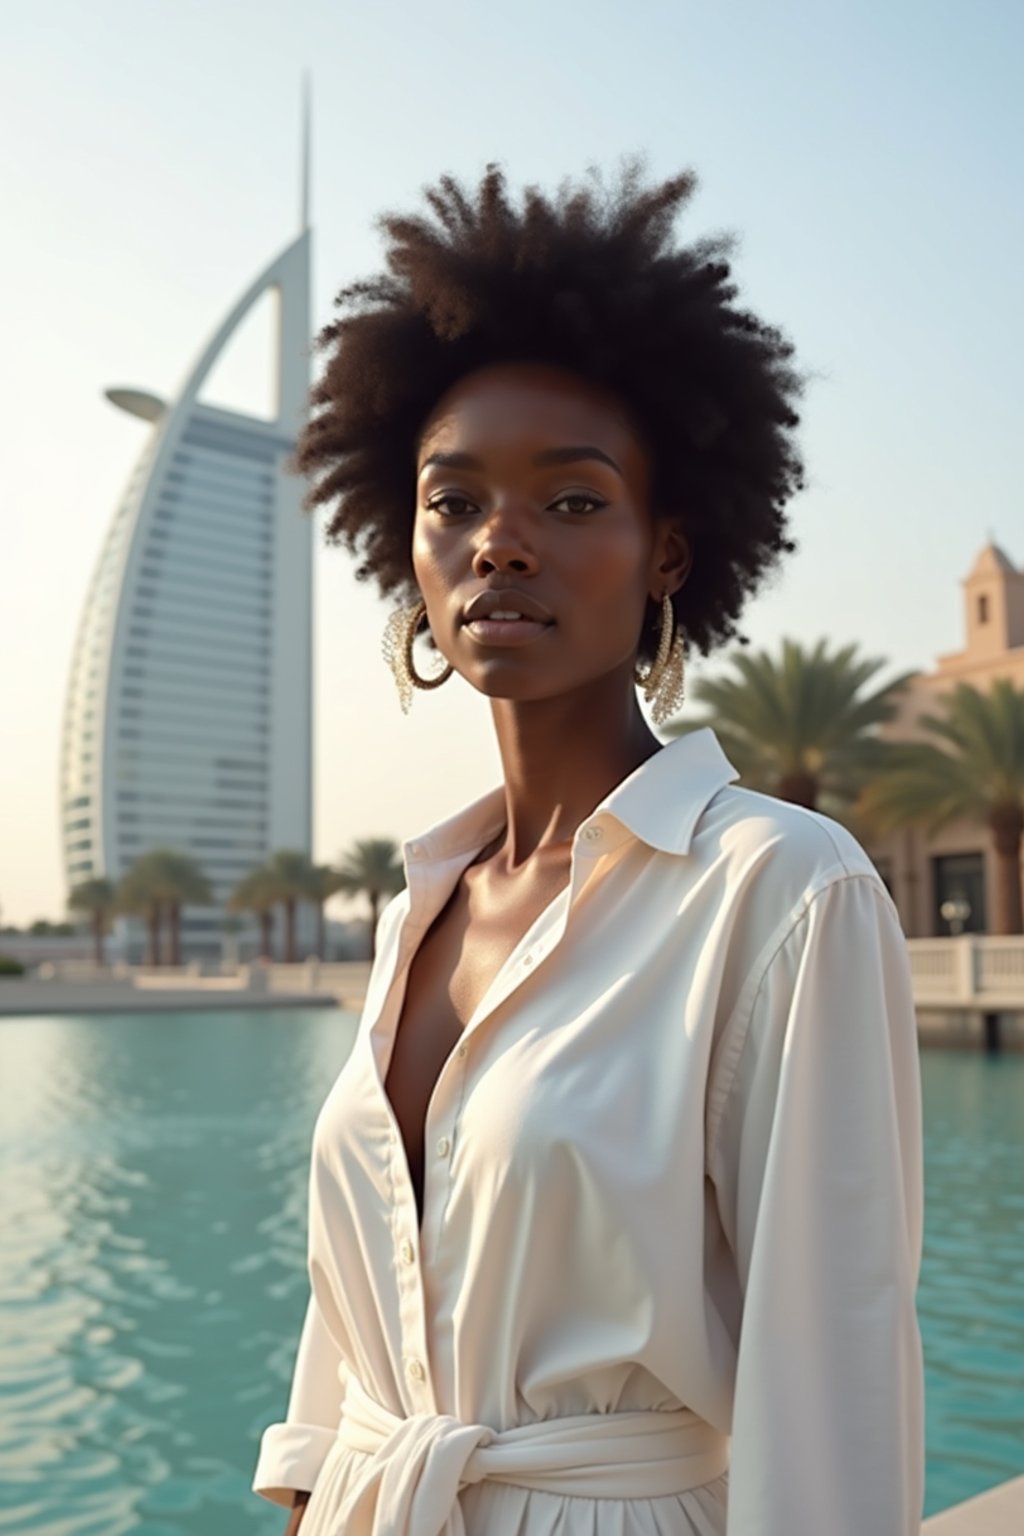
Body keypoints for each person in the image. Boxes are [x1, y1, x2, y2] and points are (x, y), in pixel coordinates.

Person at [252, 162, 924, 1536]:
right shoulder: (418, 908)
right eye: (455, 505)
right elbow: (358, 1336)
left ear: (666, 550)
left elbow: (833, 1384)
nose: (500, 546)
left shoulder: (783, 892)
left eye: (570, 503)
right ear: (409, 549)